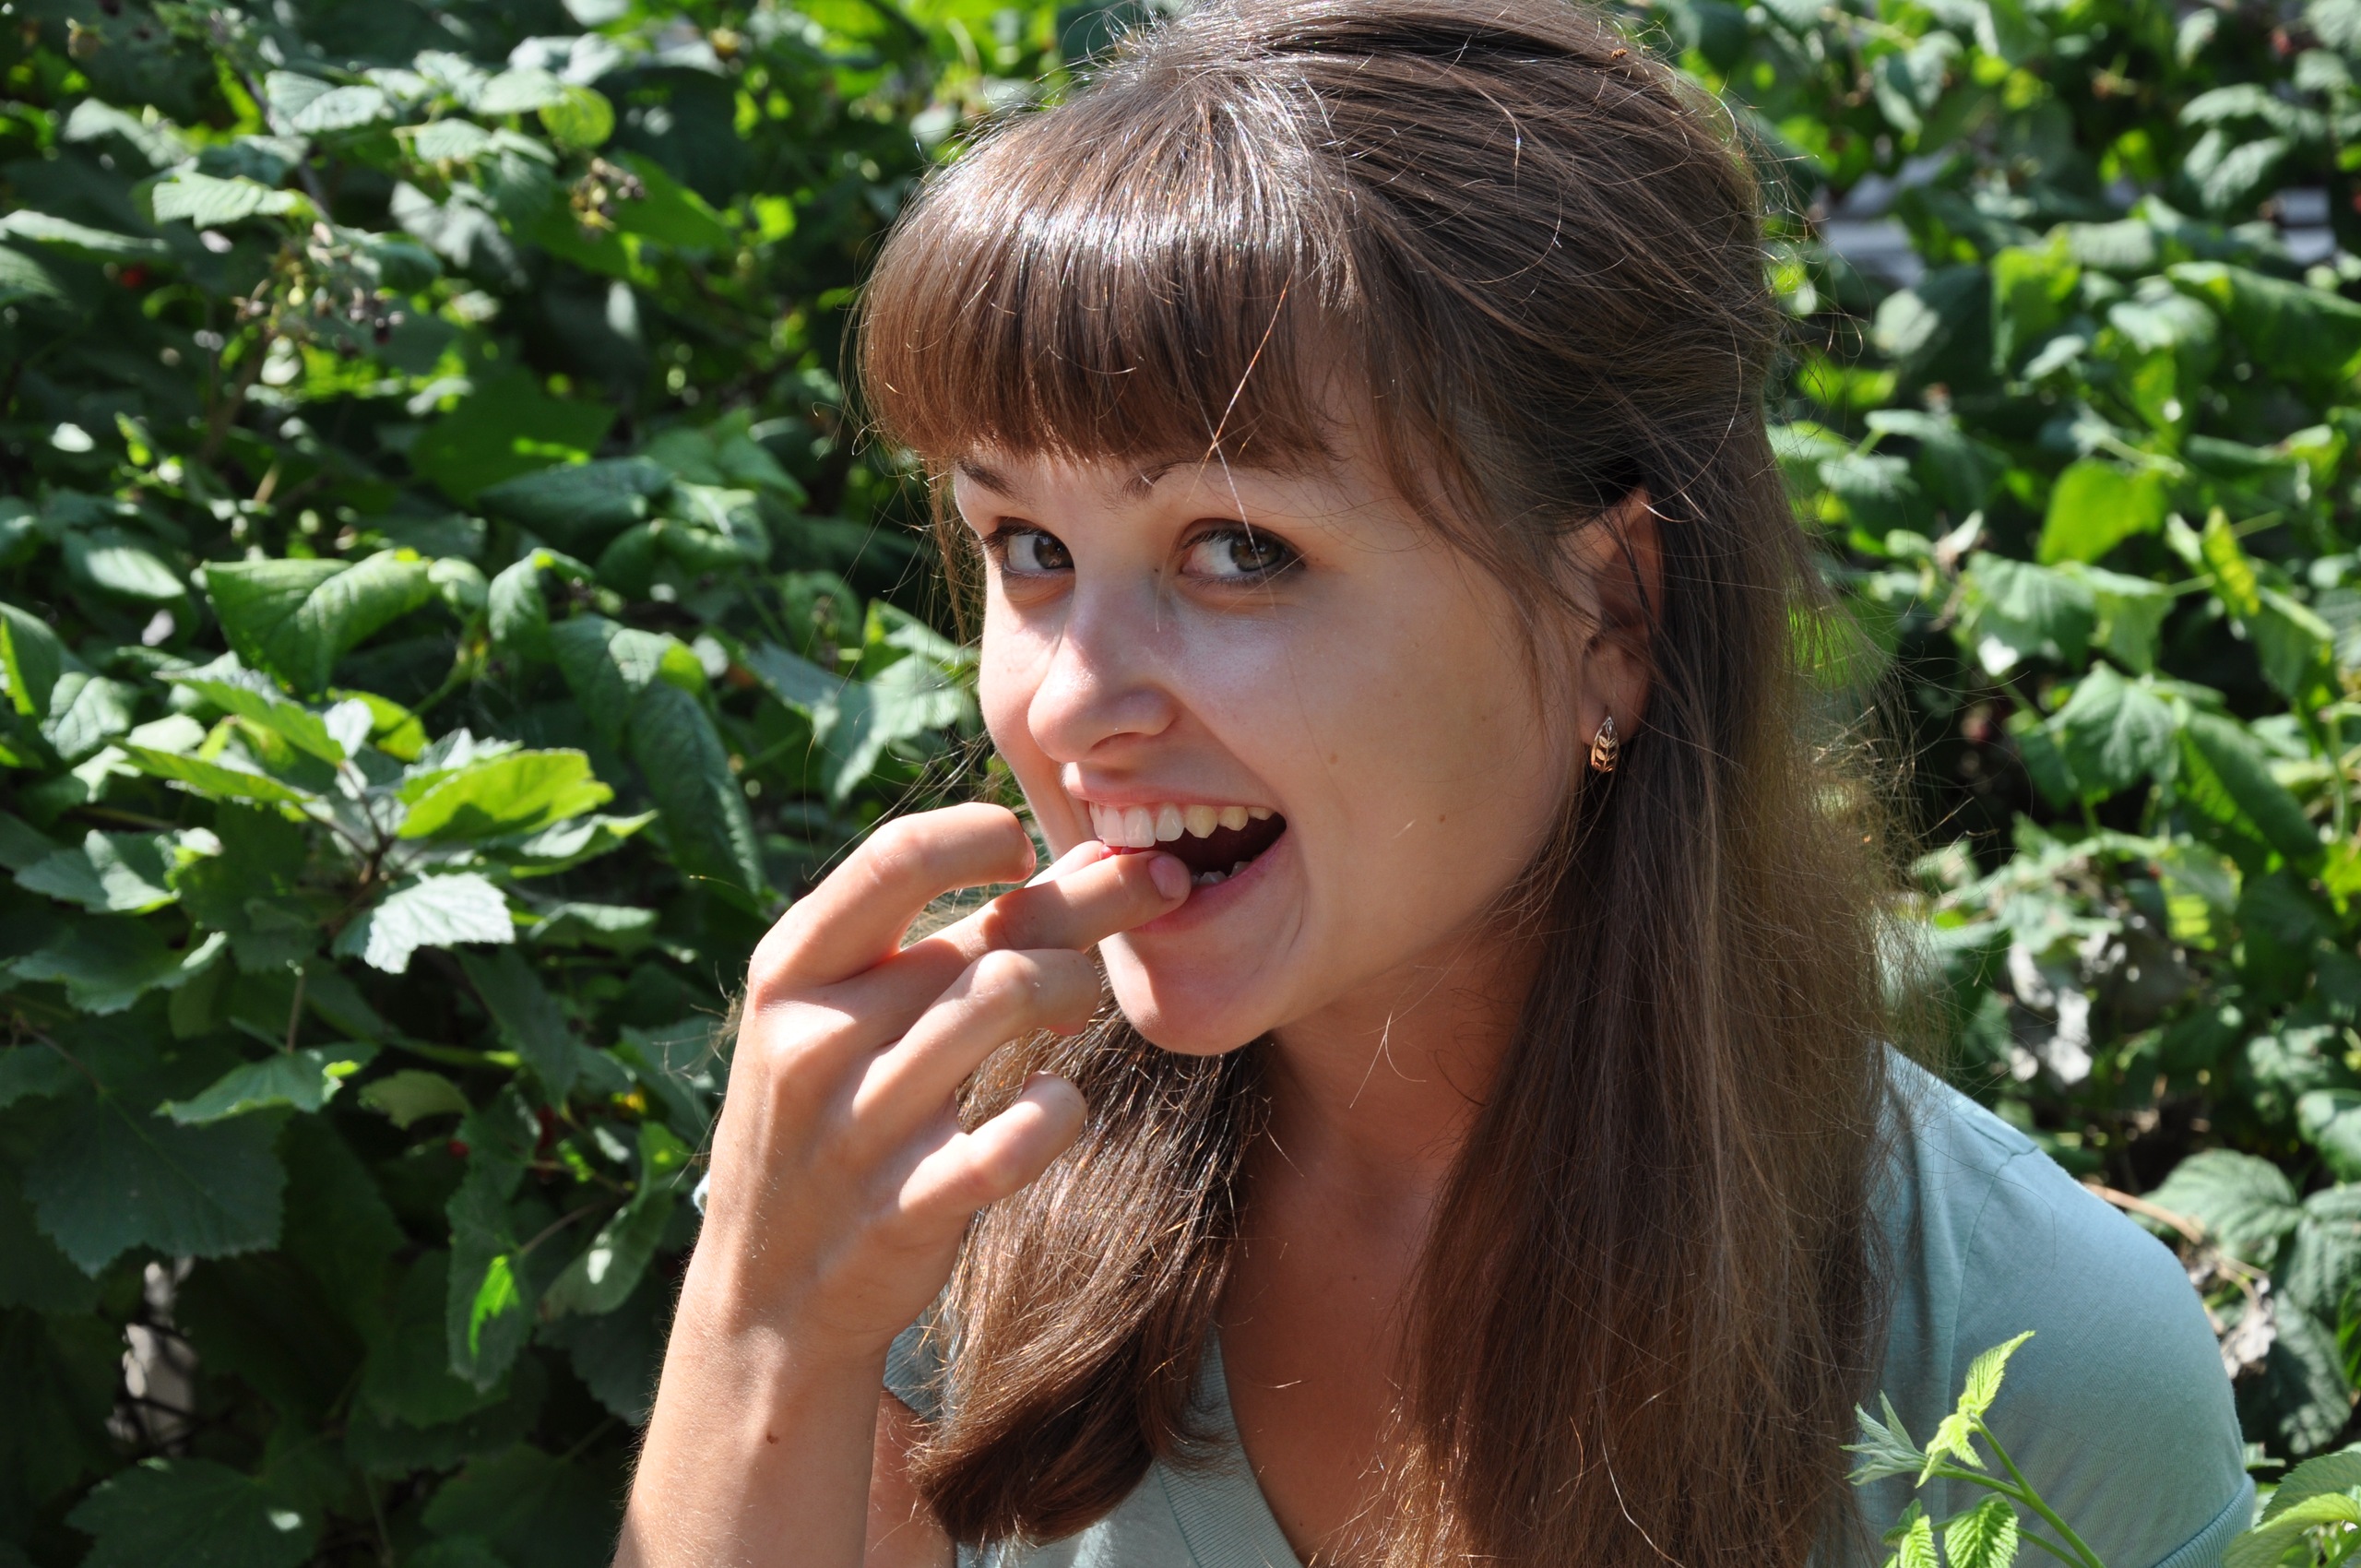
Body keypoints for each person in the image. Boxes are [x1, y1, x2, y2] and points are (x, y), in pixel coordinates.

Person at [614, 2, 2252, 1564]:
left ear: (1613, 615)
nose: (1067, 701)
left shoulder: (2034, 1366)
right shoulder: (937, 1186)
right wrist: (767, 1311)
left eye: (1237, 548)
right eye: (1028, 547)